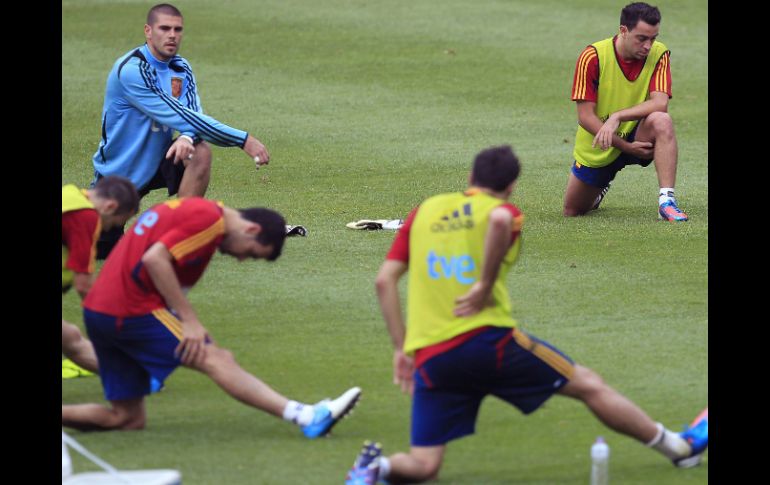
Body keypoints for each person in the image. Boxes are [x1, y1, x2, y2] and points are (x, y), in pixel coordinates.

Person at [344, 146, 707, 484]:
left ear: (471, 175)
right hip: (488, 342)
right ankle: (678, 448)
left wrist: (400, 348)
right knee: (589, 385)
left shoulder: (425, 211)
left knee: (424, 464)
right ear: (512, 185)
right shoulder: (505, 213)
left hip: (432, 355)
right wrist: (484, 285)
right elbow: (501, 221)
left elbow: (383, 281)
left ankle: (376, 468)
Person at [61, 196, 361, 436]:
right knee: (217, 359)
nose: (243, 259)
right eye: (252, 253)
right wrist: (190, 323)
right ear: (252, 229)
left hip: (103, 311)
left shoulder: (201, 223)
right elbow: (155, 259)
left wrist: (184, 323)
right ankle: (307, 417)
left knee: (126, 418)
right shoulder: (209, 220)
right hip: (128, 309)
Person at [92, 3, 271, 259]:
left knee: (200, 152)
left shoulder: (180, 67)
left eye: (178, 29)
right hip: (120, 174)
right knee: (102, 251)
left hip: (158, 160)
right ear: (148, 31)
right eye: (164, 28)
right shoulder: (133, 70)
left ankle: (178, 237)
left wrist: (187, 137)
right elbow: (185, 116)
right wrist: (243, 140)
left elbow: (194, 113)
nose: (172, 35)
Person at [563, 2, 688, 222]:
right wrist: (624, 146)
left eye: (653, 38)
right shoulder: (593, 56)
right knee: (573, 211)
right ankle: (600, 187)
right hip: (600, 141)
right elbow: (585, 117)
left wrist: (617, 116)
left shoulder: (659, 53)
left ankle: (666, 202)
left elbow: (660, 103)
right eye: (642, 38)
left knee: (662, 120)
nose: (648, 45)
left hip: (638, 133)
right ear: (623, 30)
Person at [62, 176, 140, 377]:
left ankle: (134, 376)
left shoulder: (70, 196)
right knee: (71, 341)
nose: (107, 230)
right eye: (114, 223)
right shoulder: (84, 217)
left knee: (70, 339)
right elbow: (83, 285)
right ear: (110, 206)